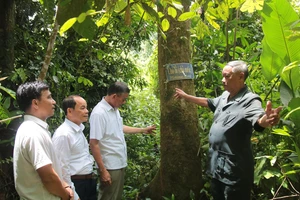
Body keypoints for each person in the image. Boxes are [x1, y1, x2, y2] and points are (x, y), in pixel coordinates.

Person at [174, 60, 282, 200]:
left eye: (227, 76)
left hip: (235, 172)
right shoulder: (225, 96)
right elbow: (209, 102)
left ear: (241, 76)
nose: (223, 80)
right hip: (217, 167)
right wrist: (186, 97)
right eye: (223, 76)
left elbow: (259, 120)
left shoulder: (250, 100)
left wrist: (266, 120)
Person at [89, 81, 156, 200]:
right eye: (123, 99)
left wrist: (143, 130)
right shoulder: (99, 113)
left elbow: (120, 128)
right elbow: (94, 144)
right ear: (114, 96)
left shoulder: (114, 110)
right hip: (109, 165)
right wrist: (103, 170)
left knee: (116, 196)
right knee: (108, 196)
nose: (124, 102)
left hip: (119, 162)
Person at [13, 81, 74, 200]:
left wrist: (64, 185)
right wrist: (65, 195)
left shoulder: (32, 128)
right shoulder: (33, 132)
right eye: (49, 97)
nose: (54, 101)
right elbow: (48, 176)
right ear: (35, 103)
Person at [52, 95, 97, 200]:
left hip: (88, 182)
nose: (86, 111)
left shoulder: (79, 130)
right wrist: (73, 193)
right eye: (82, 108)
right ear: (70, 111)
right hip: (76, 184)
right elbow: (61, 167)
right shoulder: (64, 134)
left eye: (86, 108)